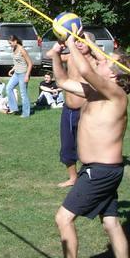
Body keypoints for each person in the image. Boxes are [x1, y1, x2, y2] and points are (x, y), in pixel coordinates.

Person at [50, 33, 130, 257]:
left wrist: (69, 41)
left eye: (105, 61)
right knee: (111, 223)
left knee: (63, 218)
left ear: (115, 74)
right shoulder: (96, 93)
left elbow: (86, 71)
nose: (100, 60)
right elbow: (63, 82)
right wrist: (57, 54)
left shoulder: (117, 94)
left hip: (100, 171)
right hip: (101, 170)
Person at [57, 31, 97, 188]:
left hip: (86, 110)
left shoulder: (94, 63)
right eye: (77, 41)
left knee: (88, 146)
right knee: (67, 146)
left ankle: (90, 178)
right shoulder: (71, 57)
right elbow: (50, 56)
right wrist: (59, 48)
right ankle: (73, 178)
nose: (78, 44)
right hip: (68, 110)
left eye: (82, 41)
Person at [6, 35, 33, 117]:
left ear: (15, 41)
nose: (10, 45)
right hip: (16, 73)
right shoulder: (14, 49)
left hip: (23, 73)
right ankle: (14, 107)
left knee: (23, 94)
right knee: (8, 88)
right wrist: (12, 69)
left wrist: (27, 76)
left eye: (10, 43)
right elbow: (17, 62)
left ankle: (26, 113)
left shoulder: (22, 50)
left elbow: (30, 63)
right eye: (9, 43)